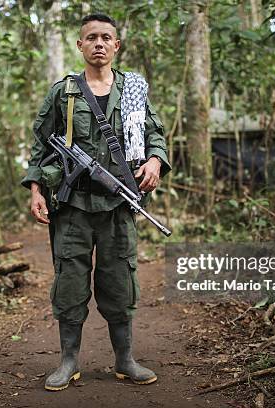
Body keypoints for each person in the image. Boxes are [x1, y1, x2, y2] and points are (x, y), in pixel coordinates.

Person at [21, 13, 171, 391]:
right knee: (69, 284)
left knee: (120, 282)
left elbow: (156, 134)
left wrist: (155, 160)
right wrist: (36, 190)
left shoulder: (133, 89)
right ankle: (69, 361)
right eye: (91, 37)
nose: (99, 43)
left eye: (106, 37)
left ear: (116, 45)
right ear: (80, 45)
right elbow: (41, 144)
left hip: (119, 207)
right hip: (72, 208)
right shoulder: (63, 92)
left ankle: (125, 360)